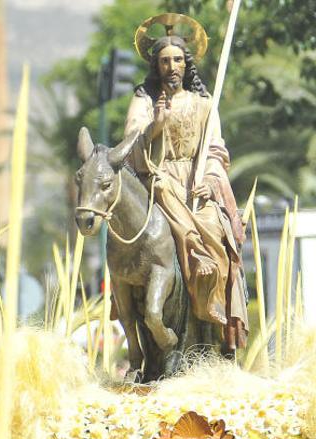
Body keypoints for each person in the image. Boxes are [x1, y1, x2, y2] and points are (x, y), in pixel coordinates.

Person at [124, 14, 249, 351]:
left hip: (195, 184)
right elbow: (130, 144)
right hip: (159, 180)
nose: (172, 66)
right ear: (156, 65)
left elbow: (215, 149)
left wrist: (210, 179)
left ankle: (212, 295)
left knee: (215, 228)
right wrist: (156, 126)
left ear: (186, 63)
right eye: (165, 61)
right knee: (161, 192)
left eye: (177, 59)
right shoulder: (144, 102)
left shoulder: (204, 105)